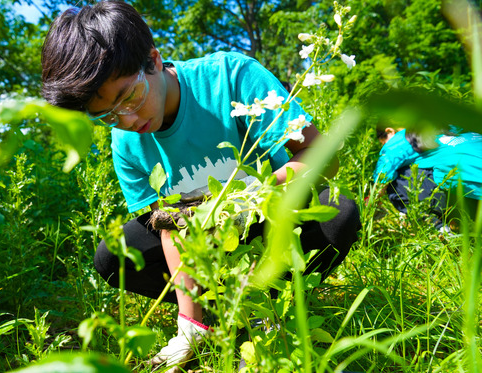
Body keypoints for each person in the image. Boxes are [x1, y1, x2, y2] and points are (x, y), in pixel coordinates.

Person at [41, 1, 361, 370]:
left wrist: (246, 196)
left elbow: (321, 157)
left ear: (154, 60)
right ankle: (212, 315)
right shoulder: (126, 143)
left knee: (338, 214)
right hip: (203, 241)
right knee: (115, 255)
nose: (127, 119)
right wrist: (189, 325)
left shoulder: (231, 77)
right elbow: (168, 226)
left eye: (129, 97)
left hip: (275, 219)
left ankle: (272, 301)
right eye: (106, 115)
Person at [374, 125, 482, 231]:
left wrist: (368, 208)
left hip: (470, 190)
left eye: (383, 142)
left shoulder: (402, 138)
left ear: (390, 131)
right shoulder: (450, 126)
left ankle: (440, 228)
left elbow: (381, 178)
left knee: (396, 181)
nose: (384, 146)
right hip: (475, 189)